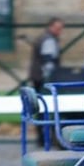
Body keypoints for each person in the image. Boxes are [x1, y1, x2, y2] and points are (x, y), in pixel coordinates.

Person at [28, 17, 64, 146]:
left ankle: (42, 138)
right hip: (43, 78)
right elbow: (48, 62)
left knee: (40, 109)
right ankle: (44, 139)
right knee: (44, 109)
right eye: (58, 28)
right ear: (51, 27)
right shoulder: (49, 40)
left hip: (37, 76)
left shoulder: (44, 38)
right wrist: (50, 80)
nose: (60, 31)